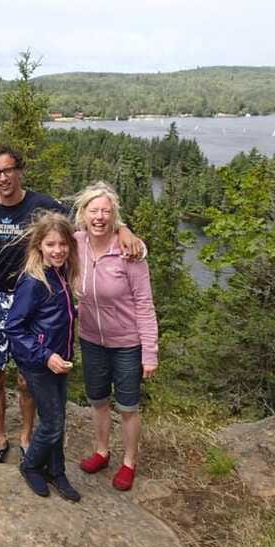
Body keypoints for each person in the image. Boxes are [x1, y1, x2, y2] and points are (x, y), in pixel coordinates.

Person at [0, 145, 143, 464]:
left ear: (19, 170)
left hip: (32, 301)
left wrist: (121, 228)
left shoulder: (42, 205)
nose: (3, 177)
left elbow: (86, 225)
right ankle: (0, 436)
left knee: (27, 378)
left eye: (8, 170)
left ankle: (27, 436)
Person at [73, 181, 158, 491]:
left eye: (106, 212)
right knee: (98, 401)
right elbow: (44, 241)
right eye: (93, 210)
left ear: (114, 217)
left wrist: (149, 352)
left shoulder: (129, 252)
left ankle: (129, 462)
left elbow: (145, 306)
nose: (99, 217)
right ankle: (101, 451)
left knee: (128, 406)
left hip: (127, 343)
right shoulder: (74, 243)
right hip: (91, 339)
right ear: (83, 214)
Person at [5, 211, 81, 501]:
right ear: (39, 246)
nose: (58, 250)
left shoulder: (61, 273)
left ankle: (56, 470)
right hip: (40, 362)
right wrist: (45, 355)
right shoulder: (34, 281)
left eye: (63, 244)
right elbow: (14, 327)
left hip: (58, 360)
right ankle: (32, 465)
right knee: (52, 421)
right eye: (51, 244)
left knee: (57, 417)